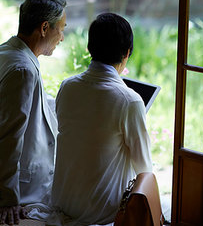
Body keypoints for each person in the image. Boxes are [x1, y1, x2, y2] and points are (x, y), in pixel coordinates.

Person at [0, 0, 67, 225]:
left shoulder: (1, 52)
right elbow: (6, 138)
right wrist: (7, 198)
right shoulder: (22, 69)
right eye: (61, 29)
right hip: (17, 184)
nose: (62, 37)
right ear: (44, 27)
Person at [50, 13, 153, 225]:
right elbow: (144, 169)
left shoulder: (67, 86)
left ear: (89, 49)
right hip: (102, 212)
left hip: (63, 202)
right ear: (127, 53)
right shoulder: (130, 101)